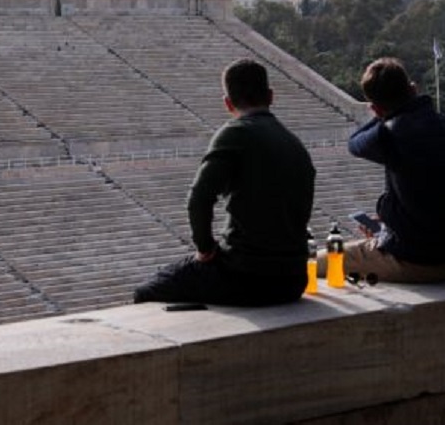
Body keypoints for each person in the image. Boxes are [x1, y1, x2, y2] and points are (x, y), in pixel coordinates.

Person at [133, 58, 315, 306]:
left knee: (147, 291)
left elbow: (198, 199)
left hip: (246, 276)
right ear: (271, 96)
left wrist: (205, 248)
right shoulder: (295, 143)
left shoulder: (236, 132)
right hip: (293, 280)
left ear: (228, 103)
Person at [318, 57, 445, 283]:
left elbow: (355, 143)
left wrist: (383, 115)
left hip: (412, 260)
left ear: (376, 108)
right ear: (413, 88)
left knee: (317, 260)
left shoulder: (390, 136)